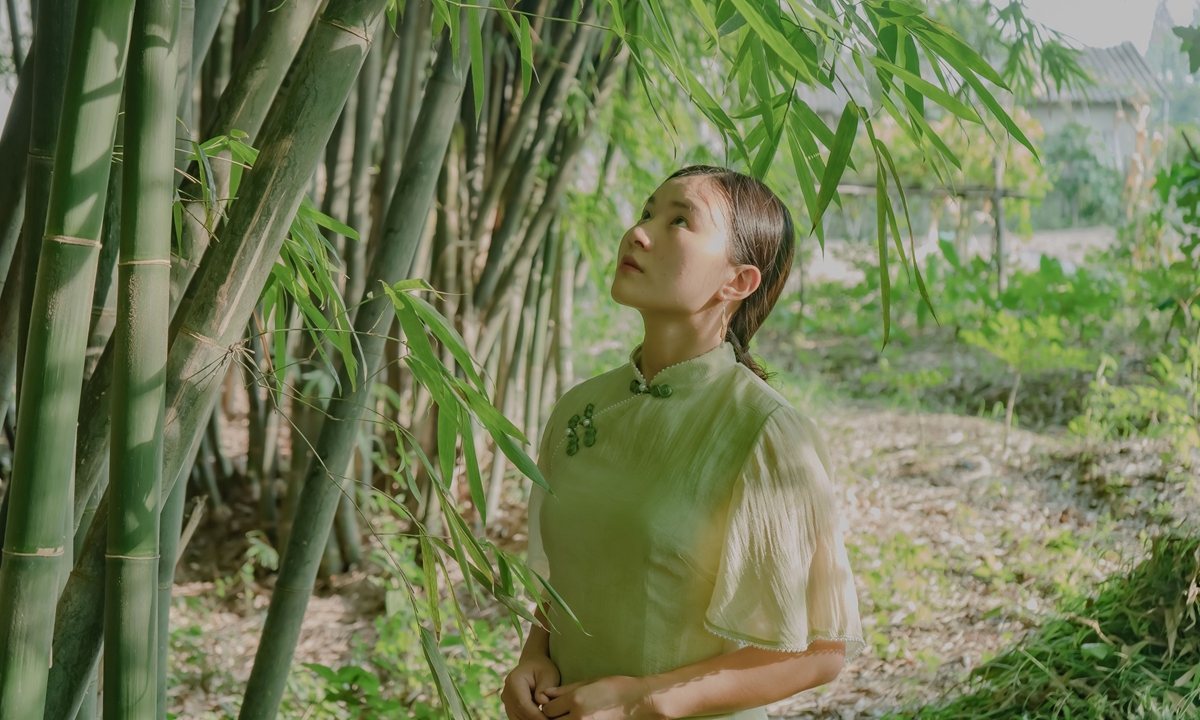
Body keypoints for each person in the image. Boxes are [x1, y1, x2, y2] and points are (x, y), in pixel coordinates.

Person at [501, 165, 864, 720]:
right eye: (647, 212)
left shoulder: (766, 433)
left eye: (679, 221)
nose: (638, 232)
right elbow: (574, 576)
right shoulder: (582, 407)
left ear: (737, 282)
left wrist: (643, 701)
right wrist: (535, 655)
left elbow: (818, 654)